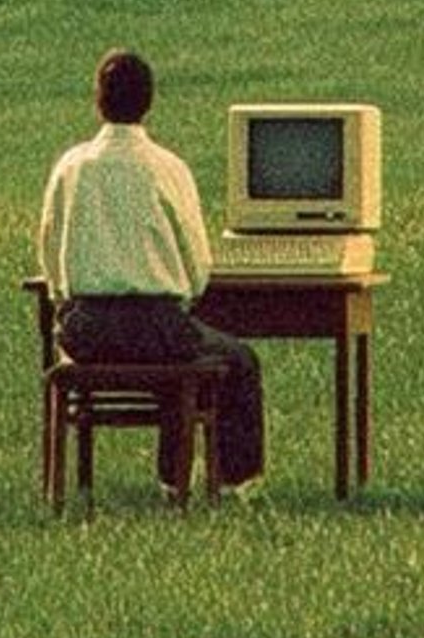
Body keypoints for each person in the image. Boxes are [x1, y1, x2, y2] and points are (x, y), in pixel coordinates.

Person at [38, 49, 264, 497]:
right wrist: (180, 295)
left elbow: (49, 245)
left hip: (87, 334)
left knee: (180, 350)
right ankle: (232, 483)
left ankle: (167, 479)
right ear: (149, 102)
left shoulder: (71, 166)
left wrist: (65, 298)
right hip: (156, 326)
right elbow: (196, 264)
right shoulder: (167, 167)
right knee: (236, 359)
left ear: (98, 100)